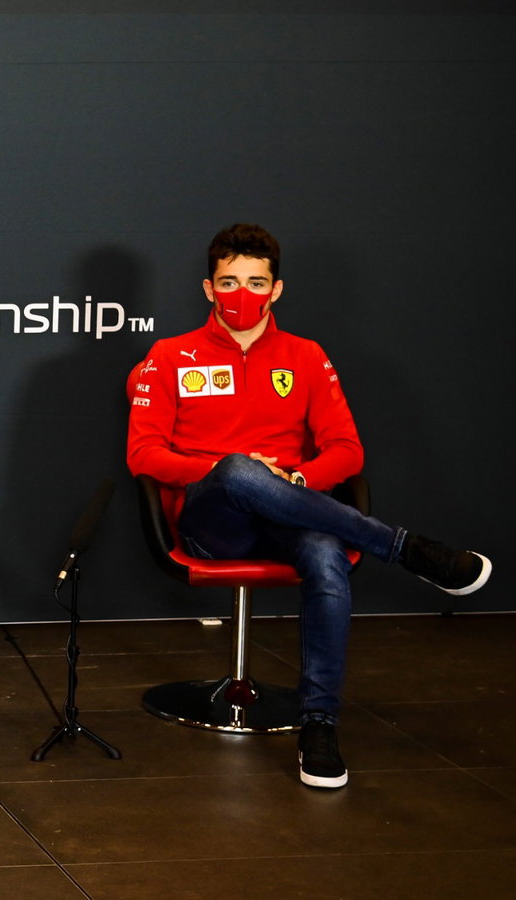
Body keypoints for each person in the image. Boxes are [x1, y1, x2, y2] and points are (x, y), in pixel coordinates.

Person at [127, 223, 491, 790]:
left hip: (291, 516)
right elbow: (143, 455)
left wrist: (293, 478)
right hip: (211, 522)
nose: (241, 294)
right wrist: (236, 470)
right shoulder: (170, 355)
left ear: (275, 290)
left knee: (324, 557)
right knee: (238, 470)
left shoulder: (305, 356)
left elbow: (347, 450)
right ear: (207, 289)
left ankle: (318, 724)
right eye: (228, 282)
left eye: (254, 282)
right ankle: (405, 547)